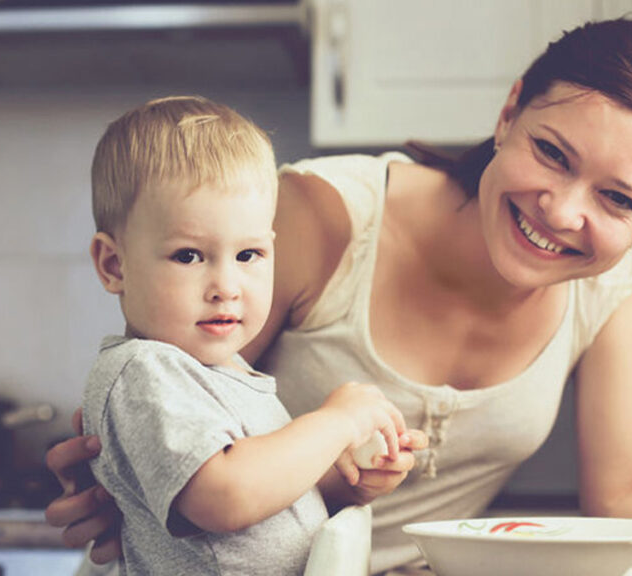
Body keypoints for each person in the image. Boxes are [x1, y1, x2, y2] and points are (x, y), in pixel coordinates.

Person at [47, 19, 632, 576]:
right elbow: (169, 410)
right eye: (551, 152)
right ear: (508, 114)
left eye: (618, 200)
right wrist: (107, 481)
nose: (564, 211)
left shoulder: (627, 265)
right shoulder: (318, 218)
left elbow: (631, 490)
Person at [79, 95, 424, 576]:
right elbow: (225, 496)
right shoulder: (144, 371)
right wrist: (335, 423)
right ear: (114, 265)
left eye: (248, 255)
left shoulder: (227, 371)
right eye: (189, 256)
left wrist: (346, 479)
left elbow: (265, 502)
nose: (226, 287)